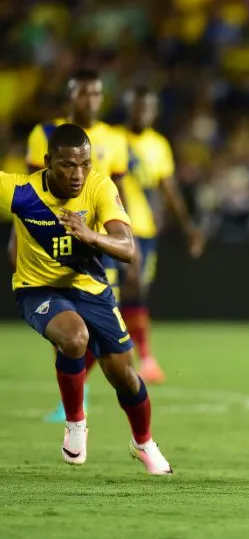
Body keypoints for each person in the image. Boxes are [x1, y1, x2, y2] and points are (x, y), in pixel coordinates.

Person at [0, 123, 172, 474]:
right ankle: (76, 423)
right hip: (38, 290)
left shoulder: (99, 186)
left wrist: (90, 236)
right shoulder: (20, 191)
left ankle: (143, 443)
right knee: (75, 337)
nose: (78, 174)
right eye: (67, 165)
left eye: (84, 164)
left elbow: (127, 248)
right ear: (48, 162)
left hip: (91, 289)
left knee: (125, 376)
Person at [16, 68, 131, 422]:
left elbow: (119, 192)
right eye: (84, 93)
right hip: (51, 237)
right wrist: (15, 240)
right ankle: (73, 399)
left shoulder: (114, 138)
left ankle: (81, 385)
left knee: (99, 329)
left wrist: (126, 238)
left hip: (96, 245)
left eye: (96, 93)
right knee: (67, 329)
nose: (91, 100)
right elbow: (30, 190)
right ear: (70, 97)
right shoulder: (44, 134)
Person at [114, 86, 205, 384]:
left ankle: (144, 358)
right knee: (108, 293)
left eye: (148, 108)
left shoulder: (158, 145)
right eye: (137, 107)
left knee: (137, 291)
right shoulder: (112, 139)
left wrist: (188, 227)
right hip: (111, 228)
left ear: (155, 112)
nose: (142, 113)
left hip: (144, 231)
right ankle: (107, 357)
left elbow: (168, 189)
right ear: (129, 108)